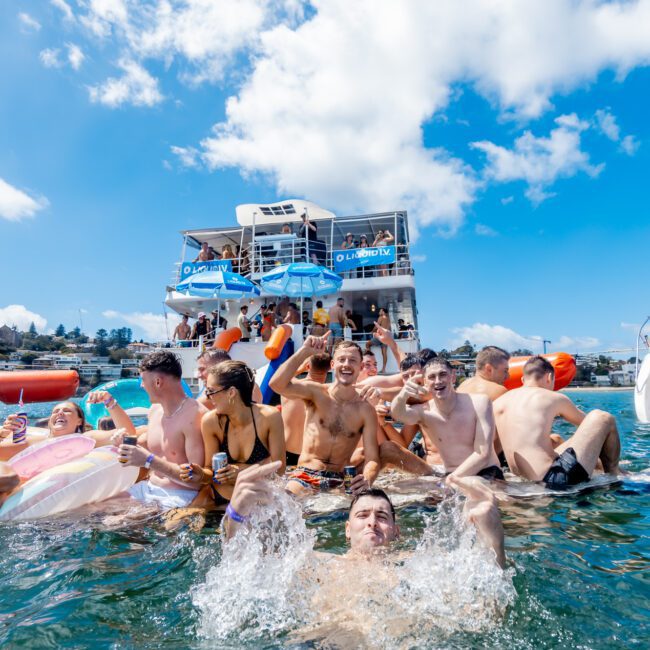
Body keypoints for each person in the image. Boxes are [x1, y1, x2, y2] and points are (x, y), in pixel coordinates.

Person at [224, 461, 505, 568]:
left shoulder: (422, 566)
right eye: (362, 516)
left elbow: (487, 600)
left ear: (397, 531)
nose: (372, 521)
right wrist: (235, 516)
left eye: (382, 516)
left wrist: (492, 539)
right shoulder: (317, 563)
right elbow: (241, 568)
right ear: (346, 529)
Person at [269, 333, 379, 495]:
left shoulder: (365, 410)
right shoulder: (316, 392)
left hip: (340, 479)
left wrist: (367, 479)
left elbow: (372, 458)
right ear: (333, 365)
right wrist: (304, 351)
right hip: (305, 475)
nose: (346, 364)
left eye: (353, 360)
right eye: (341, 360)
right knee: (285, 504)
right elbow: (276, 384)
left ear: (361, 367)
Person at [493, 356, 621, 489]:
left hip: (524, 478)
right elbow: (589, 425)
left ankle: (603, 468)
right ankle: (614, 475)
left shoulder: (498, 402)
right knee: (603, 418)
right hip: (554, 479)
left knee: (561, 439)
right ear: (549, 377)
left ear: (523, 380)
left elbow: (494, 449)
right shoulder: (552, 397)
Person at [180, 361, 285, 504]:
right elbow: (210, 471)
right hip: (218, 494)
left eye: (211, 391)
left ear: (231, 392)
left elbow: (279, 470)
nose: (208, 397)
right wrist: (200, 475)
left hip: (256, 496)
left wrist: (242, 473)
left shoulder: (269, 417)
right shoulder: (211, 421)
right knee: (176, 523)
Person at [383, 357, 503, 480]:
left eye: (443, 374)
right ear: (425, 382)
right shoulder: (424, 411)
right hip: (450, 474)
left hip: (485, 471)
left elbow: (483, 453)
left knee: (476, 491)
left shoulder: (480, 403)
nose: (438, 381)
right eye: (432, 377)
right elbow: (398, 414)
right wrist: (403, 395)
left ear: (453, 376)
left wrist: (451, 480)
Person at [117, 351, 207, 510]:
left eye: (143, 380)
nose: (141, 385)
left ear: (158, 382)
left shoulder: (196, 416)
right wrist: (124, 441)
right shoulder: (154, 411)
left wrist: (148, 460)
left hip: (178, 496)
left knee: (114, 524)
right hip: (148, 488)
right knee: (92, 508)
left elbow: (195, 481)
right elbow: (150, 446)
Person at [0, 394, 136, 460]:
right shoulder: (34, 439)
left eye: (66, 411)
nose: (59, 413)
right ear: (50, 422)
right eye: (55, 412)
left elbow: (128, 433)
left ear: (79, 421)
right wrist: (2, 433)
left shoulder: (87, 439)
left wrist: (109, 401)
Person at [457, 346, 511, 464]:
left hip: (458, 457)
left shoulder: (461, 386)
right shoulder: (499, 390)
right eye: (505, 370)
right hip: (484, 460)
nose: (508, 376)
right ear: (489, 369)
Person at [281, 352, 331, 466]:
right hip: (313, 456)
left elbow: (280, 378)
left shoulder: (288, 388)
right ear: (330, 367)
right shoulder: (329, 392)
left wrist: (300, 369)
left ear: (308, 366)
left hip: (287, 452)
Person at [196, 349, 263, 408]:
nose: (198, 375)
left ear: (220, 367)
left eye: (202, 369)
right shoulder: (251, 385)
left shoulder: (216, 394)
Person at [365, 309, 393, 373]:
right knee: (384, 353)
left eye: (380, 311)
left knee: (368, 344)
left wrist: (372, 331)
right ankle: (383, 369)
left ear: (383, 312)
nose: (379, 312)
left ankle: (369, 361)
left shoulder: (381, 317)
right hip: (386, 337)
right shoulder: (388, 319)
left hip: (380, 336)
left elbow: (376, 326)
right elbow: (389, 329)